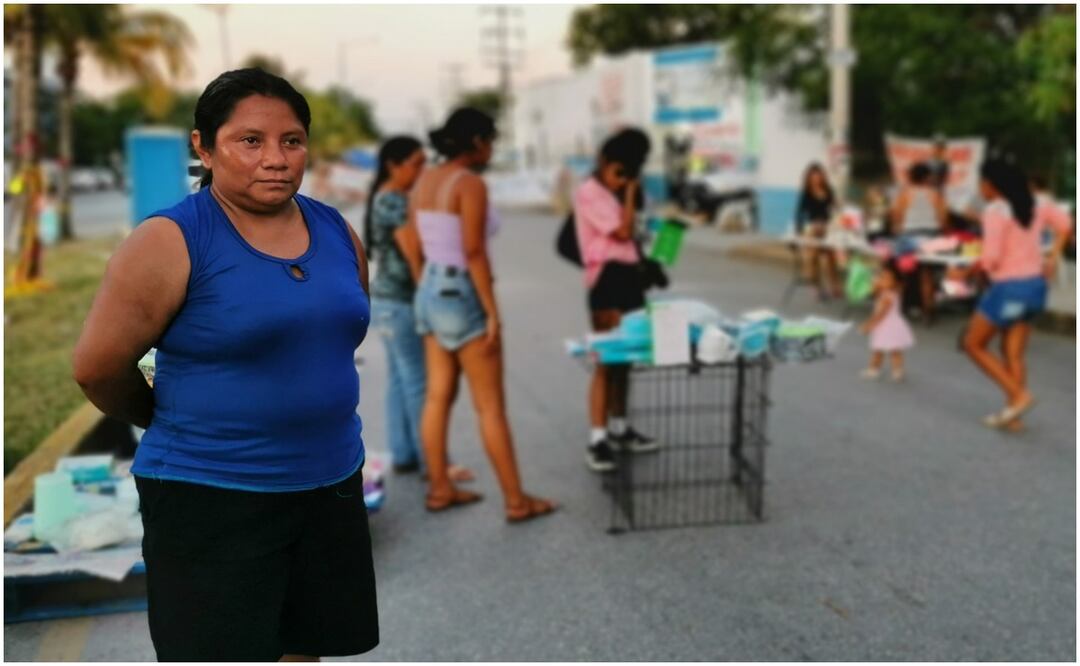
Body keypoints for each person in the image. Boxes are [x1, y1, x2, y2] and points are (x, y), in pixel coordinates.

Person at [72, 68, 378, 661]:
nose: (276, 159)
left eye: (292, 141)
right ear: (204, 148)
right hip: (212, 496)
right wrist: (167, 418)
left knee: (304, 649)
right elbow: (97, 368)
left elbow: (339, 330)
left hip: (329, 483)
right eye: (250, 141)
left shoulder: (336, 229)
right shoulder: (170, 241)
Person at [396, 107, 556, 523]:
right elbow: (472, 251)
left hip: (430, 288)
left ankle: (440, 489)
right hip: (461, 290)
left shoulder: (425, 181)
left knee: (436, 397)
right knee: (490, 407)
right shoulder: (469, 184)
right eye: (489, 140)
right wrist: (491, 312)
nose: (491, 149)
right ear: (476, 143)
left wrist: (425, 289)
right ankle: (517, 501)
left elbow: (412, 241)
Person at [365, 136, 474, 481]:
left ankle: (406, 453)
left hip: (385, 302)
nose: (421, 170)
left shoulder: (384, 197)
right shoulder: (394, 201)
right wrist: (426, 296)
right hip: (401, 302)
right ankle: (435, 464)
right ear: (393, 166)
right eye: (415, 163)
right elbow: (414, 254)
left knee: (400, 380)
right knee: (419, 384)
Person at [573, 128, 661, 473]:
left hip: (629, 279)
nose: (620, 179)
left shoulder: (618, 193)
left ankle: (621, 428)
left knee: (627, 358)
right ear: (605, 162)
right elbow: (622, 232)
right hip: (606, 280)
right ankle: (597, 439)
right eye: (617, 171)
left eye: (629, 172)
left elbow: (635, 235)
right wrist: (629, 194)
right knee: (606, 361)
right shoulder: (589, 192)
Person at [962, 159, 1059, 431]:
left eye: (982, 182)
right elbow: (1066, 225)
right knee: (1013, 353)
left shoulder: (995, 210)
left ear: (992, 185)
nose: (980, 188)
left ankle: (1019, 396)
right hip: (1035, 287)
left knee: (973, 344)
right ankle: (1013, 415)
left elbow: (991, 257)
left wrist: (967, 271)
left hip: (1008, 288)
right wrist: (1053, 256)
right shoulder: (1037, 205)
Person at [859, 260, 914, 382]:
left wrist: (869, 325)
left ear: (895, 282)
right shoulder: (889, 293)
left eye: (886, 279)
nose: (882, 280)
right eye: (881, 277)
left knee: (879, 350)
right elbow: (873, 292)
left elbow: (880, 315)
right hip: (892, 326)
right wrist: (876, 284)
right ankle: (897, 371)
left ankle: (874, 370)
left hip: (886, 326)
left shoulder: (887, 297)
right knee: (893, 350)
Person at [794, 163, 842, 300]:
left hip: (827, 227)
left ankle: (835, 286)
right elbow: (799, 214)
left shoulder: (829, 191)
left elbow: (836, 208)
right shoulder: (806, 193)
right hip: (812, 228)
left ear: (823, 176)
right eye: (813, 176)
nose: (816, 179)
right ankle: (816, 287)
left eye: (819, 175)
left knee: (831, 255)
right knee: (813, 255)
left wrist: (838, 207)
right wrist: (800, 229)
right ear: (809, 178)